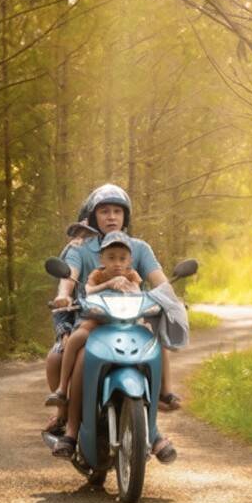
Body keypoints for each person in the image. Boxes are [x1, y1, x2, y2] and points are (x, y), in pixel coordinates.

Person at [44, 183, 178, 463]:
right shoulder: (79, 247)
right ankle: (70, 428)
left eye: (117, 211)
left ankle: (153, 427)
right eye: (104, 211)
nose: (111, 217)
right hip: (92, 320)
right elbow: (69, 278)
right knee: (81, 357)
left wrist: (173, 298)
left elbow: (159, 281)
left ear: (125, 216)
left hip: (130, 320)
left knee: (155, 343)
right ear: (93, 216)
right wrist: (62, 296)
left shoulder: (138, 248)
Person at [44, 231, 143, 421]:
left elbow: (139, 293)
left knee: (150, 338)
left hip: (126, 323)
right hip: (97, 321)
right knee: (77, 338)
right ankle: (62, 389)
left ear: (130, 260)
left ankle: (158, 397)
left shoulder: (132, 275)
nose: (117, 263)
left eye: (122, 258)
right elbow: (88, 292)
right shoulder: (98, 274)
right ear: (102, 258)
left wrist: (129, 286)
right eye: (111, 258)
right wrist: (109, 284)